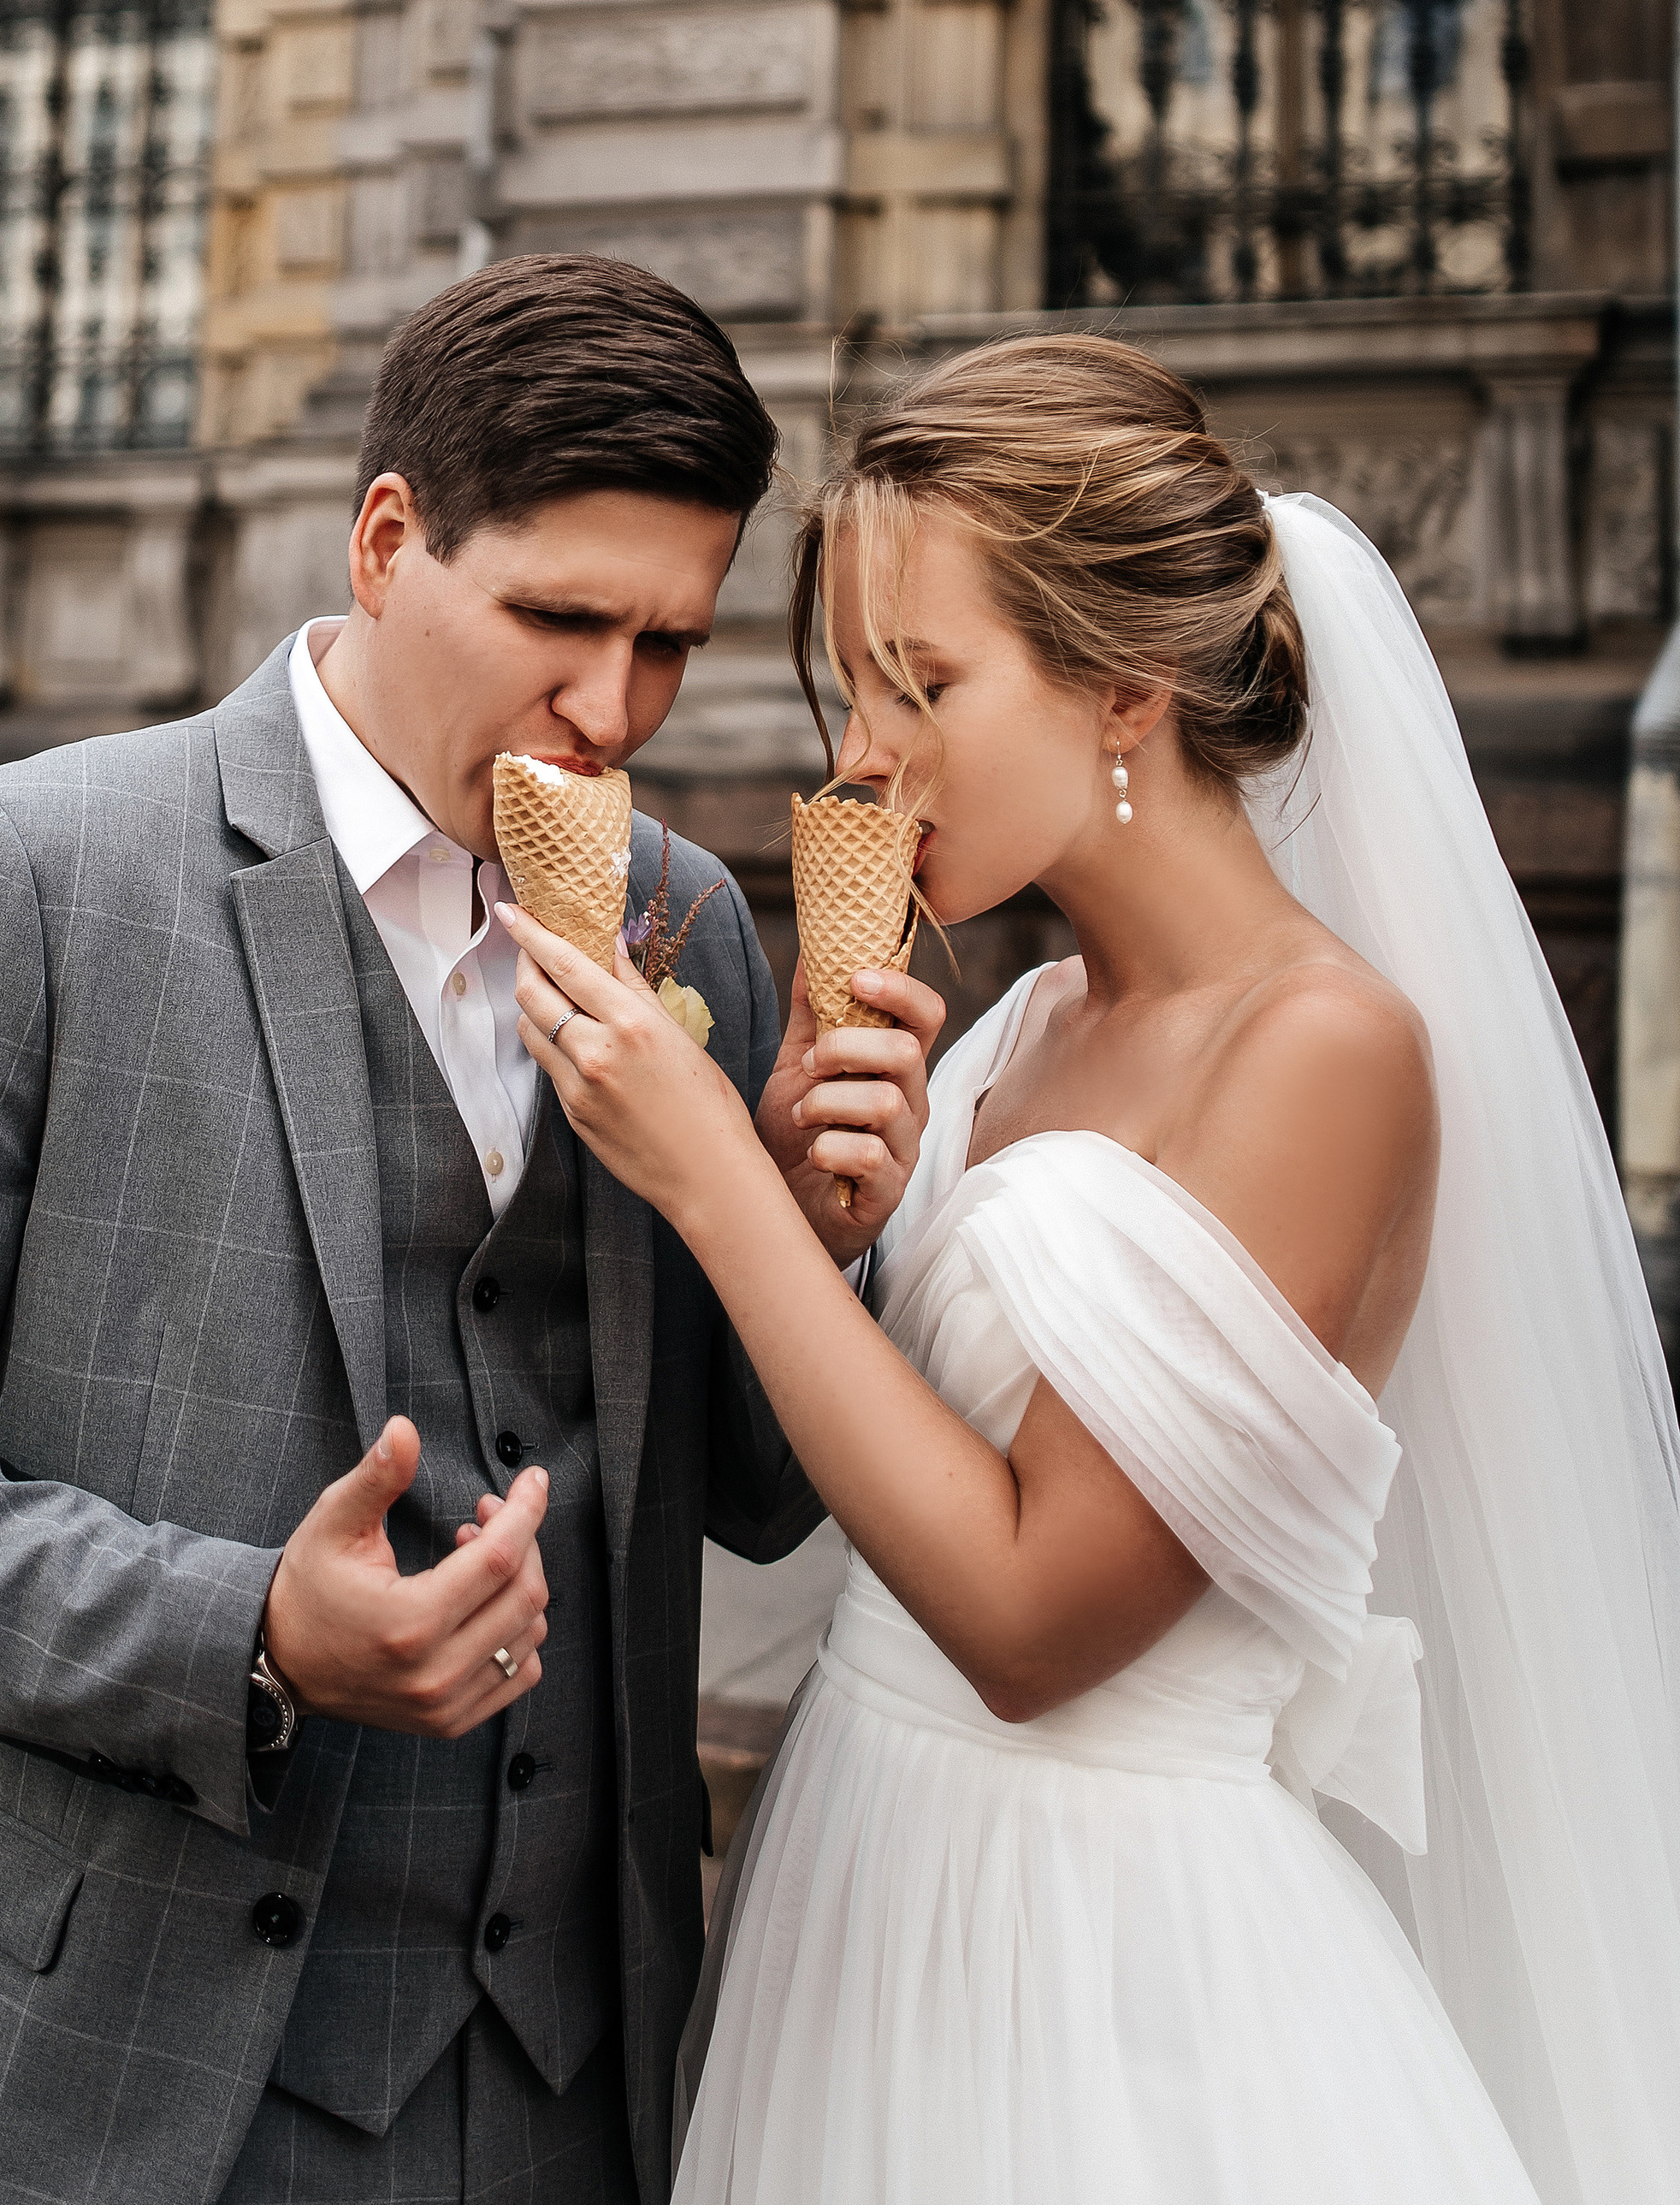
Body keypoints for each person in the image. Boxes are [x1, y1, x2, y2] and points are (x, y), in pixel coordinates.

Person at [0, 253, 942, 2205]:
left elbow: (757, 1502)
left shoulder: (701, 918)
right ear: (385, 539)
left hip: (568, 2089)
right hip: (106, 2087)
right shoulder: (34, 870)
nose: (612, 711)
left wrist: (800, 1222)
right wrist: (238, 1630)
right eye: (559, 621)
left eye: (668, 643)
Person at [503, 331, 1680, 2205]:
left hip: (1097, 1972)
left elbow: (1034, 1619)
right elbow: (853, 1497)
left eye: (920, 683)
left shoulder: (1322, 1050)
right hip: (862, 1895)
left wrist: (712, 1179)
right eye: (845, 697)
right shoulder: (1018, 1023)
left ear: (1121, 688)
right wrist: (828, 1220)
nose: (860, 763)